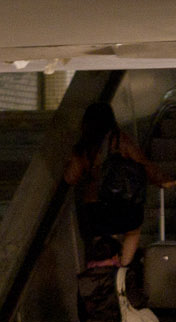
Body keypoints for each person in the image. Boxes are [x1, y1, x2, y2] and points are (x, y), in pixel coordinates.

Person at [64, 101, 175, 267]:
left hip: (93, 211)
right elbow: (144, 164)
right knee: (132, 231)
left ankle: (99, 268)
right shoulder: (119, 140)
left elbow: (70, 178)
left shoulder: (83, 147)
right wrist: (162, 180)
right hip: (120, 206)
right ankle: (121, 267)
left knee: (99, 237)